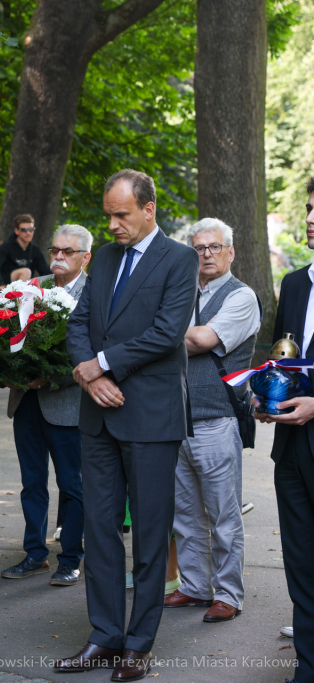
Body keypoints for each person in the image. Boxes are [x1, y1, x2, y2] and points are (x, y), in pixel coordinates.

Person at [58, 169, 198, 680]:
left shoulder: (180, 259)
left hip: (151, 419)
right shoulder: (107, 257)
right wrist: (86, 374)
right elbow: (78, 323)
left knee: (150, 537)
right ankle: (104, 635)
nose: (113, 224)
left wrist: (104, 364)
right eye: (109, 215)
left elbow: (166, 333)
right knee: (98, 531)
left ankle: (139, 643)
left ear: (149, 208)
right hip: (98, 415)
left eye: (121, 215)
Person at [162, 218, 258, 624]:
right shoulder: (183, 292)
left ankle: (229, 593)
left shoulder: (242, 297)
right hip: (174, 419)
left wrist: (162, 332)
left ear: (230, 252)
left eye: (214, 247)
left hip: (217, 418)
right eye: (198, 248)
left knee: (223, 515)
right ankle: (196, 586)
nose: (206, 255)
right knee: (184, 514)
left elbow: (201, 341)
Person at [1, 224, 91, 587]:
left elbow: (93, 351)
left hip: (68, 403)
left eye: (67, 252)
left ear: (85, 257)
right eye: (54, 250)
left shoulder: (95, 292)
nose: (57, 257)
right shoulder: (32, 287)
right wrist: (6, 369)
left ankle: (70, 557)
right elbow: (5, 332)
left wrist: (52, 378)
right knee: (31, 482)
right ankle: (35, 553)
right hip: (26, 400)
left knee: (73, 485)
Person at [255, 177, 314, 683]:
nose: (312, 219)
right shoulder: (294, 283)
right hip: (291, 448)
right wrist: (265, 397)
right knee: (300, 558)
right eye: (310, 208)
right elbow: (283, 357)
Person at [0, 214, 51, 287]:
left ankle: (20, 296)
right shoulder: (6, 247)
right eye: (24, 230)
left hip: (24, 286)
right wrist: (1, 285)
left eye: (31, 229)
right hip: (4, 287)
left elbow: (46, 272)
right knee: (26, 272)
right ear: (17, 231)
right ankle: (18, 297)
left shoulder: (35, 250)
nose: (28, 233)